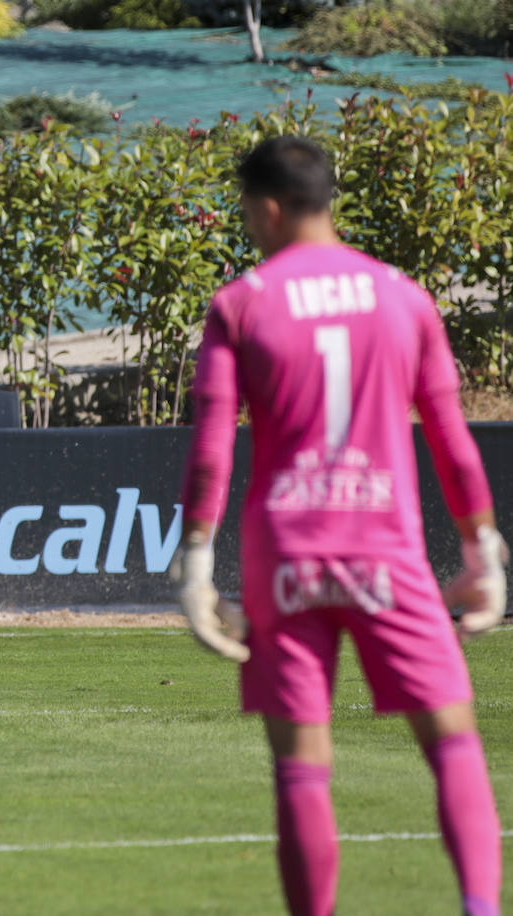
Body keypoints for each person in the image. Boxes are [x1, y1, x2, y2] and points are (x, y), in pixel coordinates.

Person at [174, 136, 507, 916]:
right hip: (384, 547)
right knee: (453, 743)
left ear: (266, 207)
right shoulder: (402, 294)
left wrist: (195, 563)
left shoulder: (242, 300)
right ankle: (481, 908)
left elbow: (212, 447)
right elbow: (452, 441)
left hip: (285, 556)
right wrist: (483, 547)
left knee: (302, 767)